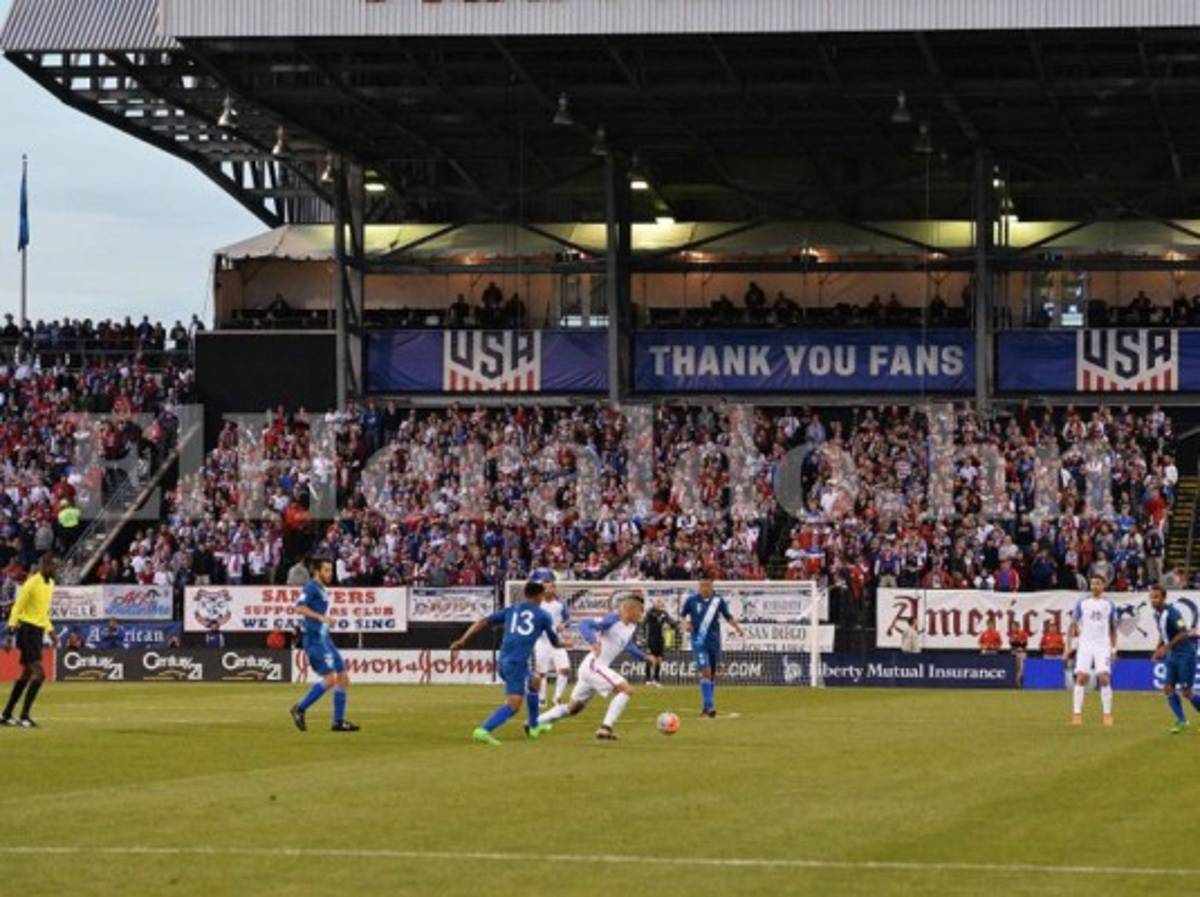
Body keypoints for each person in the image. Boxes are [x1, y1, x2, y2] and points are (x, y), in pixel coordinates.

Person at [450, 580, 562, 746]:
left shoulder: (512, 609)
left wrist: (462, 640)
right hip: (516, 664)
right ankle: (483, 730)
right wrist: (568, 643)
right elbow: (555, 643)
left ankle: (533, 727)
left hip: (505, 660)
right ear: (540, 596)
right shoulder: (543, 616)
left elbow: (482, 622)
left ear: (525, 595)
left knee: (535, 682)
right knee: (514, 705)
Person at [538, 592, 652, 740]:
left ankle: (535, 722)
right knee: (626, 690)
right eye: (640, 611)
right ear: (629, 610)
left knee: (573, 708)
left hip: (593, 669)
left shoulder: (630, 626)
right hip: (594, 665)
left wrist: (643, 657)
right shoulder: (612, 619)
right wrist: (593, 641)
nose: (641, 614)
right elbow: (584, 624)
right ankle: (606, 728)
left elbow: (627, 645)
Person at [289, 557, 359, 733]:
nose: (330, 573)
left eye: (331, 570)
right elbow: (299, 607)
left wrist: (325, 622)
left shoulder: (321, 589)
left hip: (324, 638)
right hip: (314, 640)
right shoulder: (311, 587)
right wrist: (321, 618)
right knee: (330, 679)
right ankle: (300, 708)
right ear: (317, 572)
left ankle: (338, 721)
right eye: (326, 570)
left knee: (343, 677)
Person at [2, 553, 58, 728]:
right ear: (44, 566)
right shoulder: (32, 582)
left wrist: (51, 631)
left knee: (26, 675)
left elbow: (43, 612)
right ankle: (24, 716)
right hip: (26, 630)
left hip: (37, 632)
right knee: (39, 675)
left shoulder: (51, 584)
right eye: (53, 566)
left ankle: (6, 714)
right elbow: (18, 606)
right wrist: (10, 633)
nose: (56, 569)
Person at [680, 578, 746, 717]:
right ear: (698, 586)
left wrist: (738, 629)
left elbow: (728, 616)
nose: (704, 588)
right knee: (706, 671)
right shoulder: (691, 600)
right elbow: (682, 616)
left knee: (712, 675)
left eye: (707, 585)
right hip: (699, 641)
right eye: (702, 585)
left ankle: (705, 707)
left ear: (712, 586)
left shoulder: (718, 601)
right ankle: (710, 706)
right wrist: (685, 624)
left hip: (714, 642)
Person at [1067, 576, 1117, 727]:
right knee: (1081, 677)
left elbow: (1113, 628)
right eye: (1093, 584)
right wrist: (1068, 646)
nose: (1095, 586)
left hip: (1102, 645)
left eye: (1098, 584)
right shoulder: (1083, 604)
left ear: (1103, 586)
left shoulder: (1109, 605)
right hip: (1085, 645)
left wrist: (1114, 648)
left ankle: (1107, 715)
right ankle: (1077, 714)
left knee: (1104, 678)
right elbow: (1073, 624)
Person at [1149, 584, 1200, 734]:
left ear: (1164, 598)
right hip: (1172, 656)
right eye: (1151, 597)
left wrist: (1166, 647)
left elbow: (1183, 632)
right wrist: (1158, 649)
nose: (1153, 600)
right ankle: (1182, 721)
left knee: (1187, 692)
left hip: (1185, 655)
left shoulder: (1173, 613)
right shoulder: (1156, 615)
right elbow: (1163, 633)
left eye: (1156, 597)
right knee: (1168, 688)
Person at [531, 570, 571, 708]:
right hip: (542, 642)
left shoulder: (560, 605)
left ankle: (557, 697)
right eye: (545, 586)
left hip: (557, 641)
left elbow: (568, 619)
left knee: (565, 669)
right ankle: (542, 698)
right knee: (542, 672)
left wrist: (563, 625)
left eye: (551, 586)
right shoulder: (537, 603)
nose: (548, 588)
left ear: (554, 588)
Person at [643, 597, 676, 686]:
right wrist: (642, 636)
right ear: (654, 603)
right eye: (658, 601)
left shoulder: (664, 613)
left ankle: (656, 679)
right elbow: (644, 623)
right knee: (650, 659)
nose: (660, 603)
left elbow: (671, 622)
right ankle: (647, 678)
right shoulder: (650, 612)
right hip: (651, 639)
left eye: (661, 602)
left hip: (660, 639)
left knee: (659, 659)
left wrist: (674, 625)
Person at [1008, 620, 1030, 687]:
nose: (1013, 628)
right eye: (1012, 626)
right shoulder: (1012, 634)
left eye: (1014, 626)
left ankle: (1021, 682)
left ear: (1018, 627)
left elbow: (1024, 643)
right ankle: (1016, 683)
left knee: (1022, 669)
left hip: (1021, 653)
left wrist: (1018, 644)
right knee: (1015, 668)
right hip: (1014, 652)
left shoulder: (1023, 633)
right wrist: (1017, 644)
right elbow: (1012, 643)